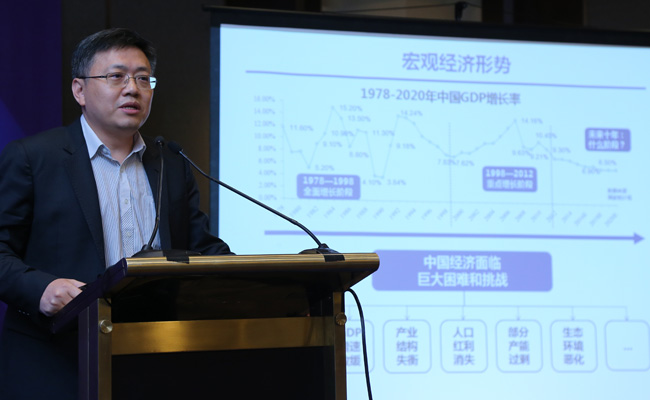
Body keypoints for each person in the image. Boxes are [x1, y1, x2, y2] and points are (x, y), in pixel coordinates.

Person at [0, 28, 232, 399]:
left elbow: (201, 249)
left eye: (143, 78)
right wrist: (41, 288)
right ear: (79, 90)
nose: (132, 89)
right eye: (116, 76)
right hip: (55, 363)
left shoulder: (171, 163)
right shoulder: (33, 158)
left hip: (152, 361)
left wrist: (278, 287)